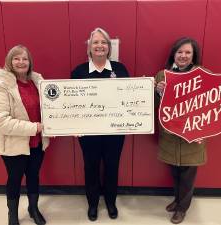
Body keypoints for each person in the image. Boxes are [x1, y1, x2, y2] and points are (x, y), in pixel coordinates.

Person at [155, 37, 221, 224]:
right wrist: (158, 92)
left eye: (187, 53)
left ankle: (182, 209)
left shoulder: (204, 74)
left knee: (187, 176)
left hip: (194, 135)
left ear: (193, 57)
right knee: (175, 173)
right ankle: (177, 201)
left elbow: (214, 102)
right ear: (173, 54)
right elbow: (157, 108)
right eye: (180, 52)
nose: (183, 56)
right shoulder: (162, 75)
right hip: (171, 135)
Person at [71, 27, 129, 221]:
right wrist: (73, 125)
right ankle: (93, 204)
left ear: (109, 47)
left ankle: (111, 202)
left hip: (115, 132)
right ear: (89, 47)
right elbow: (71, 103)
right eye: (95, 42)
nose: (100, 46)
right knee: (91, 167)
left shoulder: (120, 69)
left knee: (112, 167)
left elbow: (129, 98)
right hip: (88, 133)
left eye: (104, 42)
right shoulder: (78, 72)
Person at [0, 45, 50, 225]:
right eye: (16, 58)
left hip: (37, 143)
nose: (21, 62)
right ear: (10, 61)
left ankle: (33, 208)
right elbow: (0, 120)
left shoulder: (38, 82)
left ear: (30, 62)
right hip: (14, 145)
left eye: (25, 59)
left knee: (33, 176)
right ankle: (12, 214)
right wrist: (34, 128)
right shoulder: (1, 86)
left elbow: (51, 109)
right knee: (14, 179)